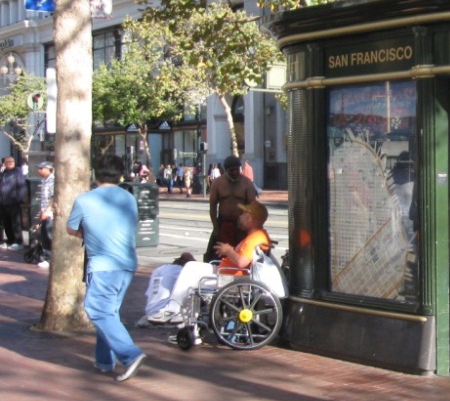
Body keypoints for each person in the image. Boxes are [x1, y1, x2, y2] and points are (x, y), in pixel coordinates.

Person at [67, 154, 147, 382]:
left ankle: (130, 355)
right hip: (128, 264)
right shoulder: (128, 198)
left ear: (95, 173)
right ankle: (104, 361)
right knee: (109, 311)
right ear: (120, 174)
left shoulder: (84, 200)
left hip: (102, 265)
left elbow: (71, 228)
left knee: (96, 309)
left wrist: (86, 231)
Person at [147, 200, 273, 323]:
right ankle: (183, 317)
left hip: (231, 278)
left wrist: (228, 250)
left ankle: (173, 309)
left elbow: (241, 262)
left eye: (243, 214)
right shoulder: (257, 236)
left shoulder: (255, 238)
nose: (239, 217)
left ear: (251, 219)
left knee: (190, 268)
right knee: (190, 271)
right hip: (226, 273)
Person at [206, 155, 257, 262]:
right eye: (231, 170)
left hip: (241, 226)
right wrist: (215, 226)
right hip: (223, 224)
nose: (234, 172)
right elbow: (213, 206)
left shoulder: (246, 183)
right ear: (226, 170)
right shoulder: (218, 183)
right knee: (215, 255)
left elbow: (253, 206)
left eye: (237, 169)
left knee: (243, 254)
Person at [0, 155, 27, 249]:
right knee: (6, 222)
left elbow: (22, 186)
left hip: (13, 202)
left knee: (16, 222)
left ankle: (18, 241)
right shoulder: (4, 172)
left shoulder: (17, 172)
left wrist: (18, 199)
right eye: (8, 162)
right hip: (3, 202)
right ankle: (10, 240)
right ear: (4, 163)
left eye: (12, 161)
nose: (10, 163)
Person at [32, 161, 55, 268]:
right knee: (44, 235)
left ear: (48, 169)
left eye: (41, 168)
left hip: (50, 214)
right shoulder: (44, 181)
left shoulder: (52, 181)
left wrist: (47, 211)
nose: (39, 170)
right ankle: (47, 257)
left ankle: (49, 258)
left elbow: (53, 197)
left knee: (48, 235)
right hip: (44, 213)